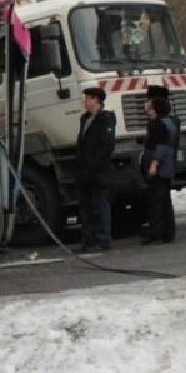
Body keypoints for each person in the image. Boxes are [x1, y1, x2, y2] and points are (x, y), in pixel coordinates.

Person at [75, 87, 116, 253]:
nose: (85, 101)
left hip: (98, 171)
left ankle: (103, 239)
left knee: (99, 205)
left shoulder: (105, 119)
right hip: (84, 171)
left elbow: (106, 146)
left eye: (89, 98)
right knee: (85, 207)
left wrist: (93, 167)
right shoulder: (85, 119)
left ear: (97, 101)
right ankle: (88, 240)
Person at [141, 97, 177, 245]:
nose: (148, 112)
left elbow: (160, 146)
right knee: (165, 201)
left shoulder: (158, 124)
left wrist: (154, 164)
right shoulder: (171, 122)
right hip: (168, 166)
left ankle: (156, 233)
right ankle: (167, 232)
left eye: (151, 109)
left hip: (159, 167)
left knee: (156, 201)